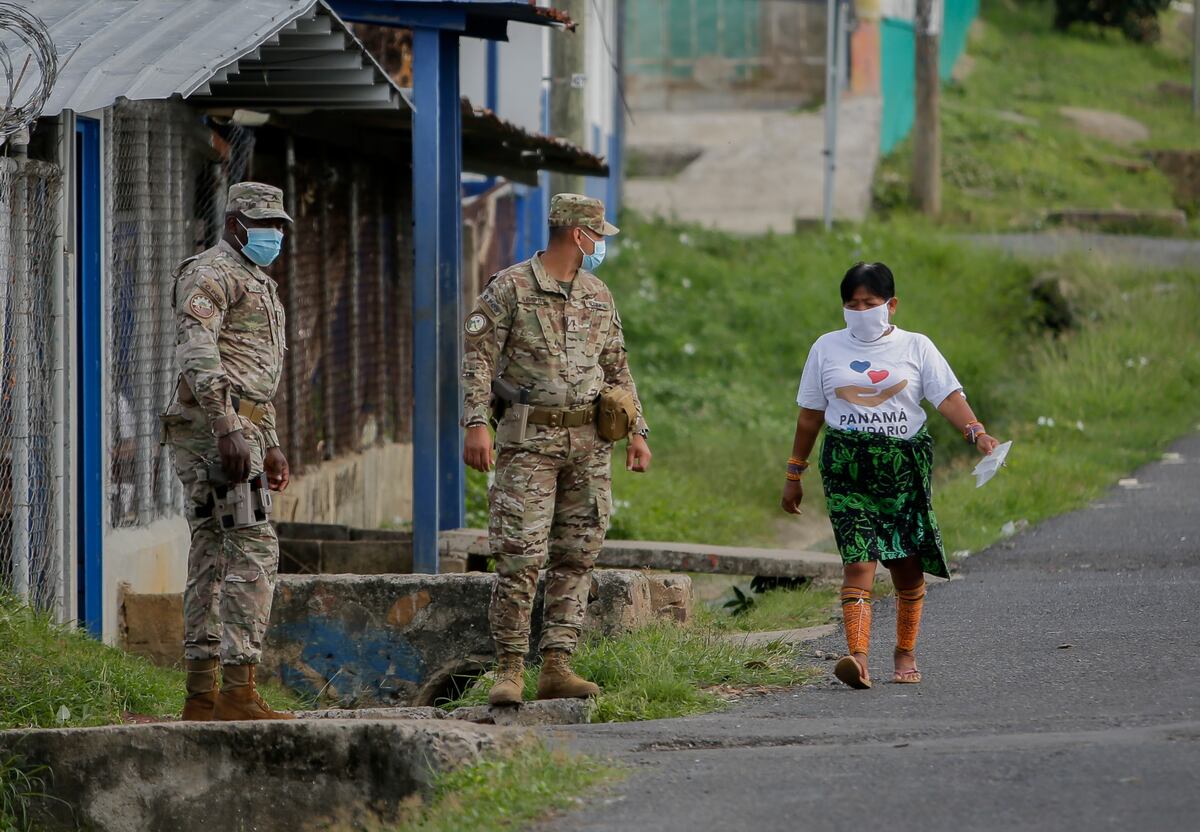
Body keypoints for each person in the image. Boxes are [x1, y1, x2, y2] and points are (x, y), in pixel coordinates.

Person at [461, 193, 652, 706]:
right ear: (577, 234)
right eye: (597, 236)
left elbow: (617, 367)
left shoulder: (597, 293)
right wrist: (475, 424)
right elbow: (478, 360)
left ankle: (556, 666)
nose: (600, 245)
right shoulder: (511, 288)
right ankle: (508, 671)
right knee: (520, 555)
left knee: (577, 555)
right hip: (529, 443)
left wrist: (638, 431)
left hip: (590, 444)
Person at [780, 262, 999, 689]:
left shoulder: (917, 347)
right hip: (847, 469)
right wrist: (794, 472)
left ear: (892, 305)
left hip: (903, 469)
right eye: (852, 303)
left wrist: (977, 432)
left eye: (871, 303)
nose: (861, 310)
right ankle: (857, 658)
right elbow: (810, 417)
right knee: (858, 561)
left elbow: (948, 397)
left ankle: (904, 650)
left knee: (906, 563)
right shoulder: (825, 348)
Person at [162, 182, 293, 720]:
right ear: (235, 223)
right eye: (262, 225)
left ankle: (203, 695)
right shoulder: (209, 274)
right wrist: (227, 427)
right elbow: (199, 352)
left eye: (278, 226)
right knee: (253, 548)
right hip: (217, 434)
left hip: (242, 430)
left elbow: (254, 372)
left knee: (214, 553)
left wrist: (273, 442)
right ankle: (236, 690)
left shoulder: (255, 279)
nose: (273, 234)